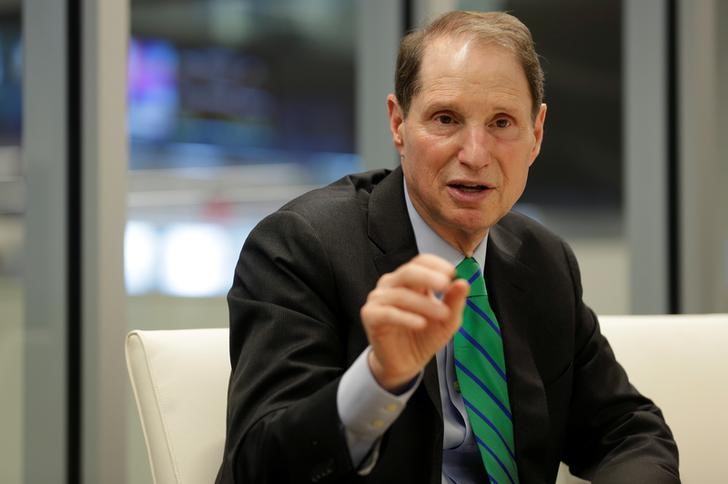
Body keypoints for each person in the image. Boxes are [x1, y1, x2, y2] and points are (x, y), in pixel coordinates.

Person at [216, 10, 679, 484]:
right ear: (398, 124)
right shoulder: (299, 246)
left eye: (502, 123)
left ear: (536, 134)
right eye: (446, 118)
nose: (475, 154)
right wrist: (379, 378)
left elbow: (629, 432)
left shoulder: (543, 261)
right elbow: (259, 466)